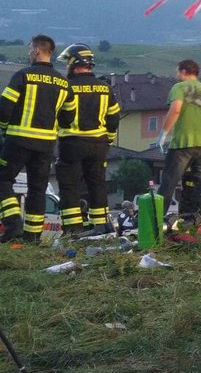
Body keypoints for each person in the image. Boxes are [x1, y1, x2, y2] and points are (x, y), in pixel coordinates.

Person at [0, 35, 75, 242]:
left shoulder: (23, 76)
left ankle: (13, 224)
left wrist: (4, 129)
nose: (29, 53)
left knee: (3, 179)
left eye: (30, 49)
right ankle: (32, 237)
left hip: (18, 140)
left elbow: (4, 107)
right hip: (46, 145)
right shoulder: (63, 83)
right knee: (37, 189)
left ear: (37, 51)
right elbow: (69, 118)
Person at [55, 43, 121, 235]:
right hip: (99, 145)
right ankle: (100, 228)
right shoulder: (105, 88)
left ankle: (74, 230)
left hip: (72, 144)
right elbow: (114, 119)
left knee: (69, 186)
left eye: (68, 62)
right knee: (97, 185)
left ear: (74, 63)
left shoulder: (67, 87)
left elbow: (59, 116)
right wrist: (107, 141)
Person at [157, 59, 201, 225]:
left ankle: (155, 218)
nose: (177, 75)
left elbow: (176, 109)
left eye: (178, 71)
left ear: (184, 71)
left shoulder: (179, 88)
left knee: (169, 181)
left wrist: (163, 134)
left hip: (183, 144)